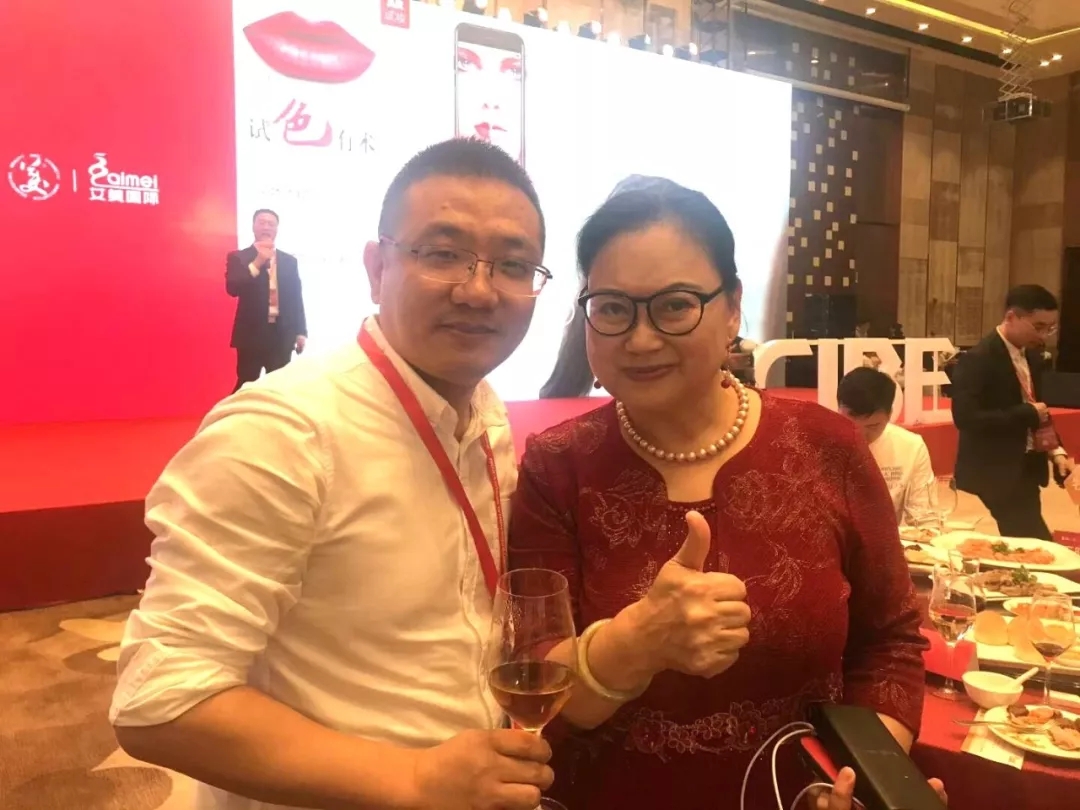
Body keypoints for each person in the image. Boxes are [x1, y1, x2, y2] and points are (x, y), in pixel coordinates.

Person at [111, 139, 557, 810]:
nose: (478, 290)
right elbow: (159, 698)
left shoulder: (485, 415)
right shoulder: (283, 430)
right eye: (442, 253)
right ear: (377, 268)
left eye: (514, 265)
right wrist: (416, 779)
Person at [509, 181, 941, 810]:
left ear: (733, 307)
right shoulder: (557, 467)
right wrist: (636, 643)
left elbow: (889, 642)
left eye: (675, 305)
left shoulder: (828, 446)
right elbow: (535, 679)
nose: (641, 338)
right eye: (613, 308)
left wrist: (860, 782)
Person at [952, 284, 1075, 540]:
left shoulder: (1033, 356)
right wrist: (1025, 413)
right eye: (1038, 326)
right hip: (995, 468)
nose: (1044, 335)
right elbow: (965, 418)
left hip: (1027, 465)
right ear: (1011, 317)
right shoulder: (978, 359)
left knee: (1026, 542)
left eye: (1050, 328)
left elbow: (1039, 410)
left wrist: (1056, 452)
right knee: (1034, 542)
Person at [837, 367, 934, 523]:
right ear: (838, 410)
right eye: (851, 425)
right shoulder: (817, 444)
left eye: (873, 426)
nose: (860, 435)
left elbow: (924, 517)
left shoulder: (911, 447)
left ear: (890, 415)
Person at [226, 209, 308, 392]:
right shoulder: (238, 257)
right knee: (246, 384)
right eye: (262, 222)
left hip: (281, 334)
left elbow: (296, 297)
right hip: (251, 335)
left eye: (271, 224)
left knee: (279, 387)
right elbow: (233, 288)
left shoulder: (289, 261)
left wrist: (300, 331)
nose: (266, 227)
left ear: (276, 229)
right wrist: (257, 262)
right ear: (253, 226)